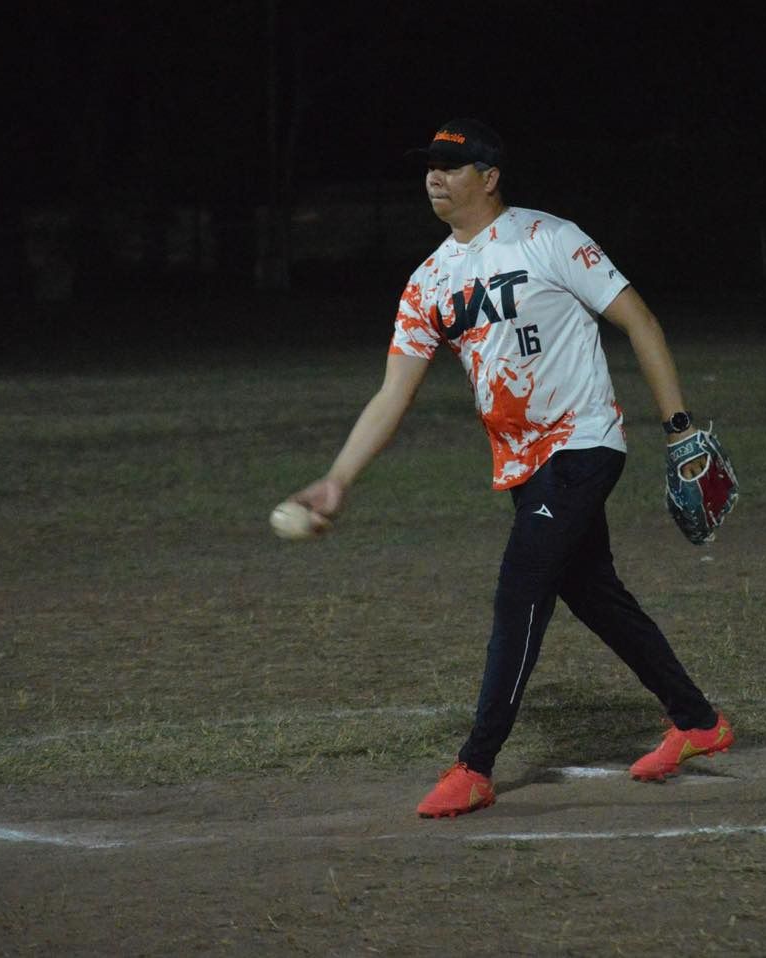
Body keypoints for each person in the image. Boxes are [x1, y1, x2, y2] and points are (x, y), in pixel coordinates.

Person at [282, 119, 733, 818]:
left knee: (521, 588)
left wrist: (679, 428)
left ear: (490, 177)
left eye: (451, 165)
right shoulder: (428, 281)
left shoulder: (548, 238)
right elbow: (393, 392)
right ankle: (698, 721)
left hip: (583, 442)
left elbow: (640, 321)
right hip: (522, 465)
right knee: (593, 593)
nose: (434, 176)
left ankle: (476, 764)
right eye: (429, 165)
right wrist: (339, 478)